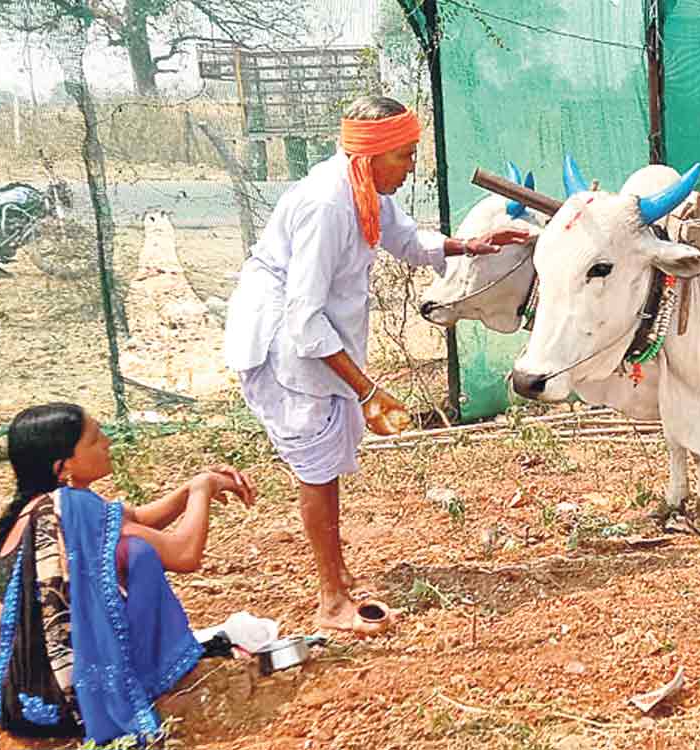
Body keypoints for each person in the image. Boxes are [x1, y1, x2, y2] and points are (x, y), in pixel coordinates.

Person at [223, 94, 531, 636]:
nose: (412, 167)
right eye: (405, 156)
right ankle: (330, 600)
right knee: (315, 467)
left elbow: (405, 239)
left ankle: (338, 579)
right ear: (373, 155)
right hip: (286, 338)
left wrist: (473, 246)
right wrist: (367, 391)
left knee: (324, 456)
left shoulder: (364, 188)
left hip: (314, 331)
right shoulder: (328, 205)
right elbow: (304, 318)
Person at [0, 403, 254, 745]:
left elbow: (136, 519)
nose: (107, 442)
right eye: (95, 438)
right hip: (61, 703)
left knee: (128, 542)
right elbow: (184, 554)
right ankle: (149, 678)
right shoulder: (73, 509)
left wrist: (192, 485)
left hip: (16, 697)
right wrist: (202, 491)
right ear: (64, 466)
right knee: (139, 553)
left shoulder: (41, 506)